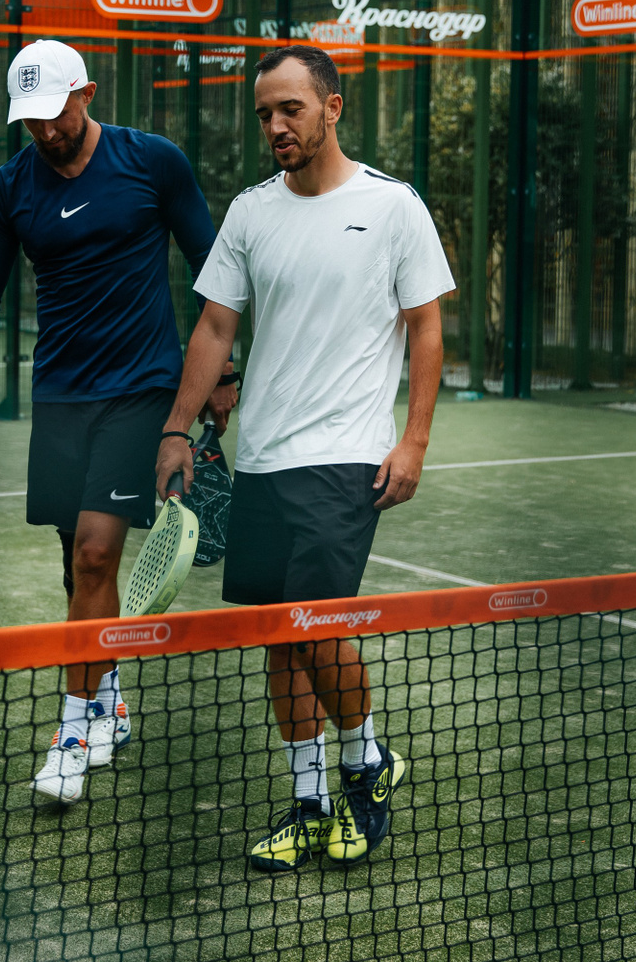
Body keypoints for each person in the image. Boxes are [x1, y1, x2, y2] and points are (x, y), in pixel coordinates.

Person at [155, 44, 451, 871]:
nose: (277, 126)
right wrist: (176, 430)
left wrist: (414, 440)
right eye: (265, 114)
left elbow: (426, 326)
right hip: (262, 459)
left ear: (332, 107)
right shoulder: (251, 212)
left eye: (291, 108)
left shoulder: (393, 206)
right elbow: (216, 326)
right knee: (279, 640)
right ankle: (310, 801)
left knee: (315, 626)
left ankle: (365, 762)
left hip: (346, 457)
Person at [0, 38, 237, 804]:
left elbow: (213, 268)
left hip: (141, 391)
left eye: (55, 113)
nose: (45, 131)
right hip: (61, 397)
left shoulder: (152, 163)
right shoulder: (10, 190)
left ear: (87, 93)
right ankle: (108, 698)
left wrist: (222, 374)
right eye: (29, 120)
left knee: (98, 554)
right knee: (77, 566)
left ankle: (70, 735)